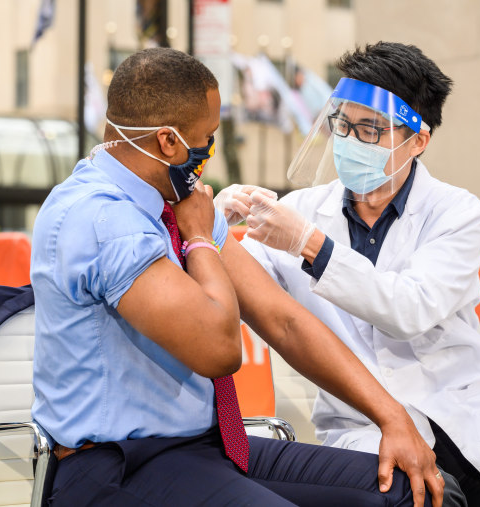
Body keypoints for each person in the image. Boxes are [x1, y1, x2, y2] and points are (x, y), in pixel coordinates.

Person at [217, 42, 480, 506]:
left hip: (474, 425)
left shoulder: (457, 213)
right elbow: (231, 291)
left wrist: (310, 244)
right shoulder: (297, 213)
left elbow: (409, 308)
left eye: (370, 129)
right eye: (343, 125)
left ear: (418, 140)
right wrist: (214, 223)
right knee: (430, 499)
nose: (351, 142)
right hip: (368, 431)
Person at [30, 47, 446, 507]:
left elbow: (281, 319)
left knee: (408, 490)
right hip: (120, 465)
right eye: (206, 136)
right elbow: (219, 349)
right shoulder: (102, 218)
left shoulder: (176, 198)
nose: (211, 148)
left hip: (205, 447)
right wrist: (198, 238)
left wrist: (393, 419)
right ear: (168, 142)